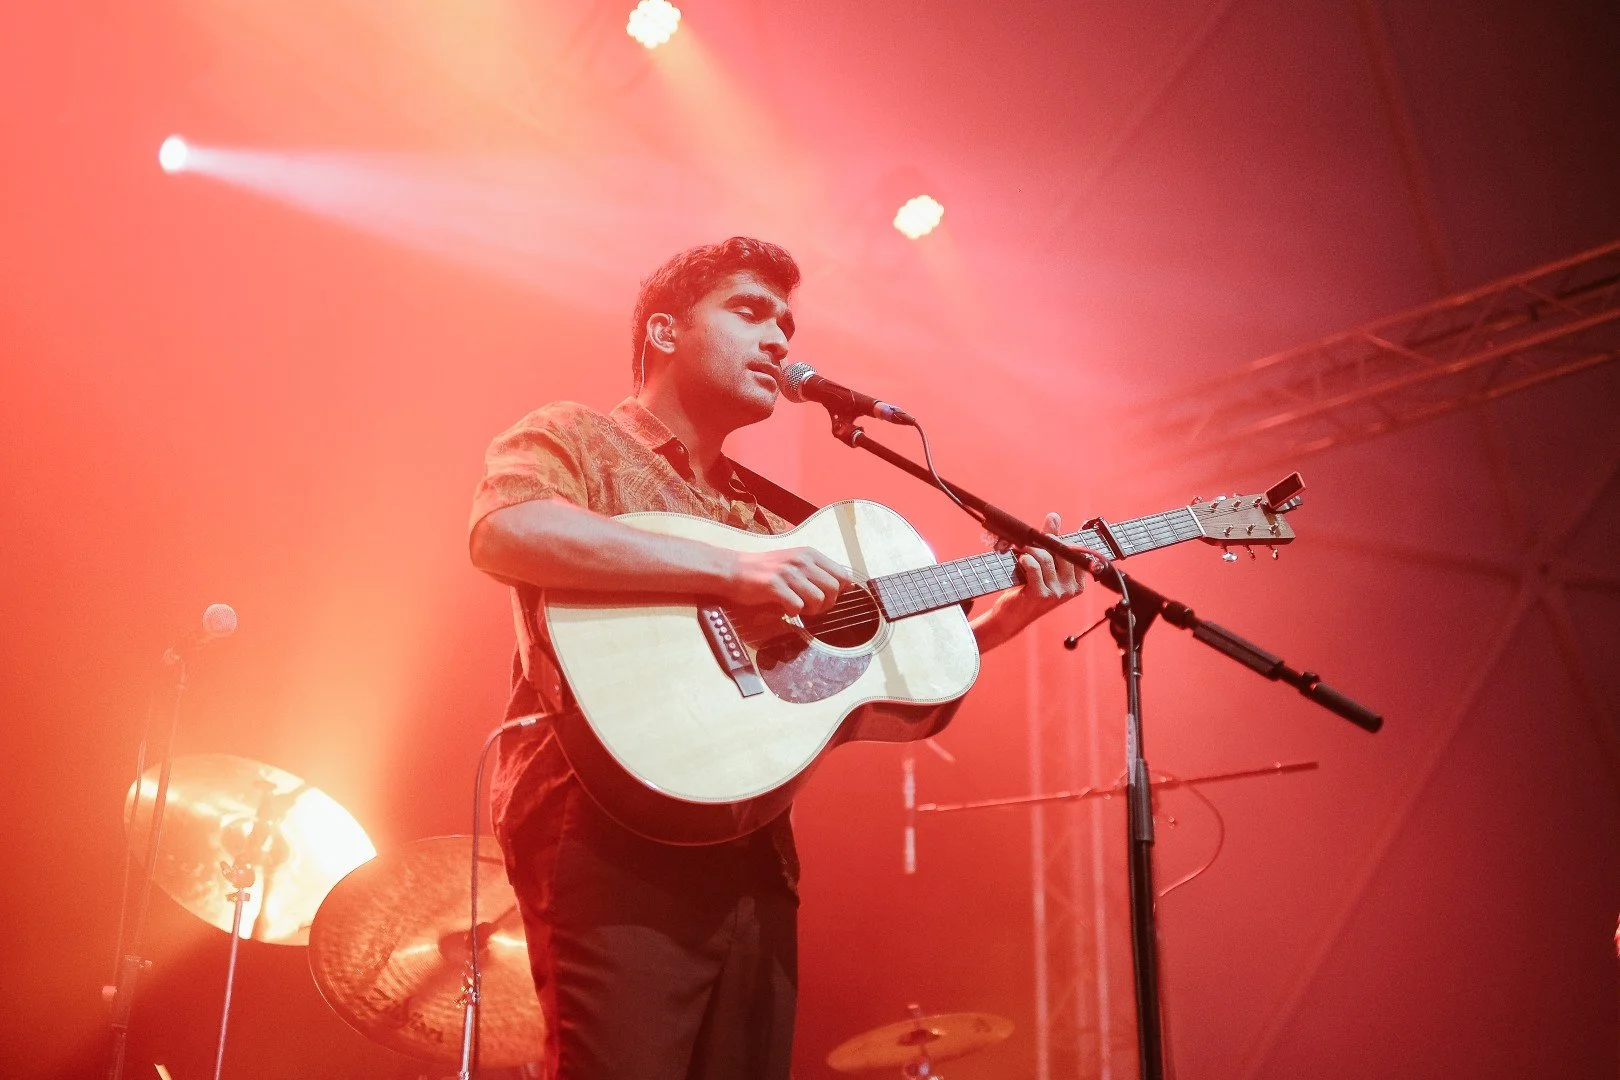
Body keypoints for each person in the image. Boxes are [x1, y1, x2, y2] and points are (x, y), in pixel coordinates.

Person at [468, 236, 1082, 1080]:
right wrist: (731, 569)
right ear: (664, 331)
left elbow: (849, 672)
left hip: (751, 849)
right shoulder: (577, 436)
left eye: (786, 325)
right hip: (604, 826)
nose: (778, 340)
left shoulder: (768, 520)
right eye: (750, 312)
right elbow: (506, 529)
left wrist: (1005, 619)